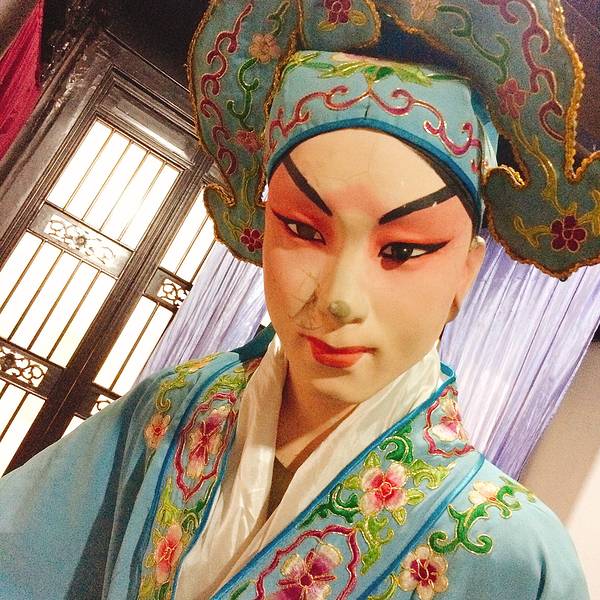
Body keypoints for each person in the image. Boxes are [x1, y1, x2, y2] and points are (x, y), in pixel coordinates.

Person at [0, 1, 595, 599]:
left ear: (466, 273)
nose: (339, 298)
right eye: (304, 230)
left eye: (403, 250)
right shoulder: (172, 410)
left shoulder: (513, 558)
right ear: (262, 227)